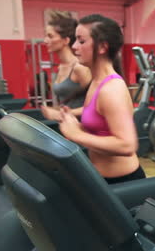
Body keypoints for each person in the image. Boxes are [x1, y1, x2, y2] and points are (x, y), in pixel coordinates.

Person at [58, 14, 145, 184]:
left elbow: (127, 145)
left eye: (81, 41)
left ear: (102, 47)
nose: (74, 46)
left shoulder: (111, 89)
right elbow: (102, 130)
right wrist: (77, 126)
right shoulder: (96, 82)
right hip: (101, 178)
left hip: (123, 183)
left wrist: (76, 135)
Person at [41, 10, 91, 121]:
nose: (45, 40)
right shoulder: (61, 67)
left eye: (50, 36)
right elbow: (70, 103)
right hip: (68, 126)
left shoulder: (79, 68)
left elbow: (97, 105)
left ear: (66, 40)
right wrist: (56, 110)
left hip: (84, 128)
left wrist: (60, 115)